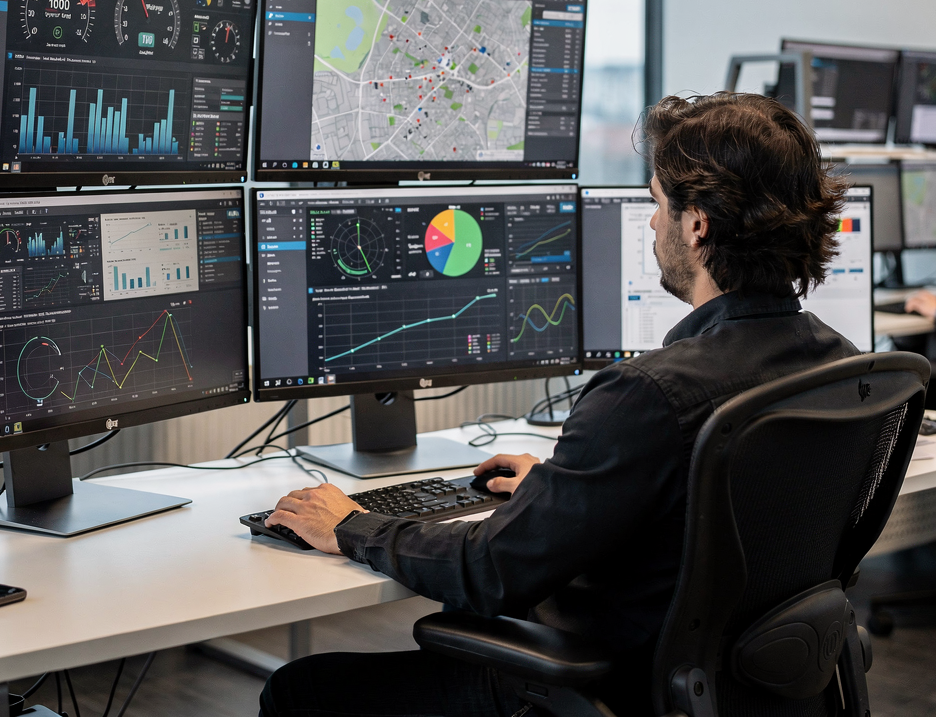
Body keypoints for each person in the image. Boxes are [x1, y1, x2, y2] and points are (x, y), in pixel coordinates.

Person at [259, 92, 858, 717]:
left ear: (697, 223)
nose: (652, 223)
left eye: (656, 202)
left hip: (608, 690)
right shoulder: (839, 363)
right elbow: (710, 515)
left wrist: (353, 526)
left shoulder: (649, 394)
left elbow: (489, 571)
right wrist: (566, 491)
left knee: (298, 691)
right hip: (751, 689)